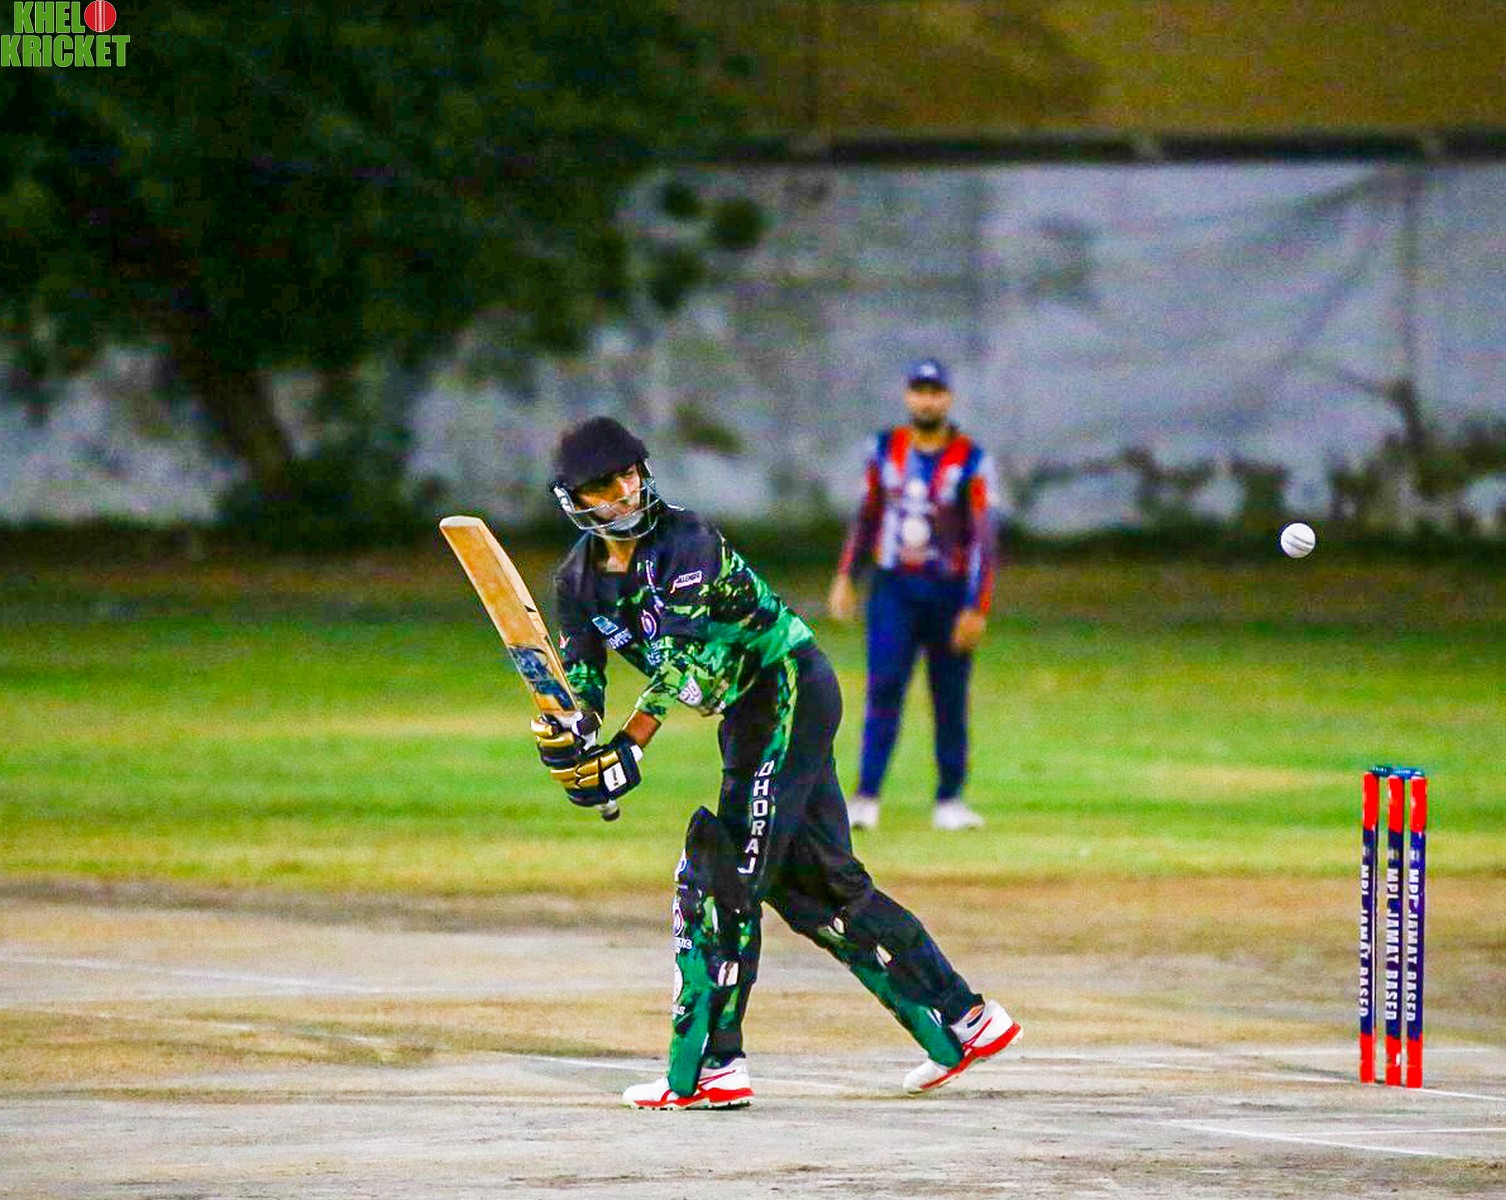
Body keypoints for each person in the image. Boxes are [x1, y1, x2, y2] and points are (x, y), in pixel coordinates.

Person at [534, 415, 1019, 1110]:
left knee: (726, 875)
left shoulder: (688, 543)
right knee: (818, 889)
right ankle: (965, 1019)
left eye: (629, 474)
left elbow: (689, 661)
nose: (624, 491)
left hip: (783, 685)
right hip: (751, 713)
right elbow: (581, 677)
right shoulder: (577, 582)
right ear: (573, 500)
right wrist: (572, 736)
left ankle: (713, 1065)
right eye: (603, 485)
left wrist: (630, 746)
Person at [826, 358, 999, 832]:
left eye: (935, 392)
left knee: (949, 695)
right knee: (884, 686)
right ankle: (866, 796)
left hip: (947, 591)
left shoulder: (971, 459)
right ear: (907, 396)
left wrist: (976, 605)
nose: (927, 401)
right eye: (919, 391)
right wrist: (846, 575)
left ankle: (950, 798)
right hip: (894, 589)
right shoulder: (884, 450)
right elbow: (867, 516)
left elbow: (983, 537)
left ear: (948, 398)